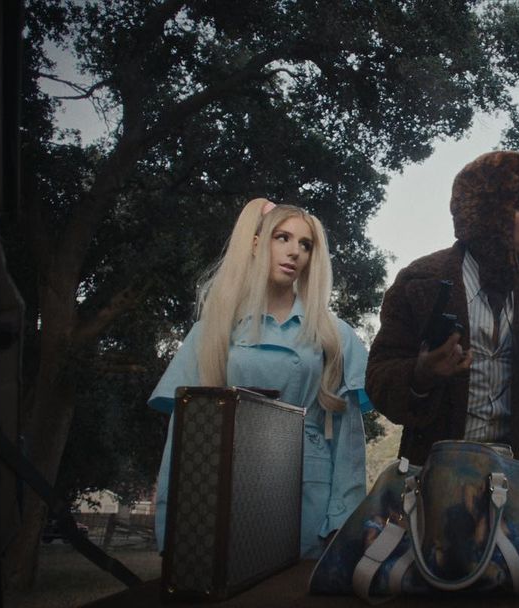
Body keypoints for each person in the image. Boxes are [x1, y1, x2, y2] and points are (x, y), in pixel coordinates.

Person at [148, 198, 369, 559]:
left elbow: (349, 441)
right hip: (226, 490)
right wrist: (172, 524)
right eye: (282, 237)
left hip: (308, 499)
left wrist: (343, 521)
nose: (294, 252)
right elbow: (185, 437)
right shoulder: (211, 331)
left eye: (305, 244)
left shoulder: (334, 334)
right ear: (255, 244)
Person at [365, 151, 519, 469]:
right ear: (489, 212)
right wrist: (421, 375)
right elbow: (378, 383)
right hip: (437, 479)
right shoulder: (419, 282)